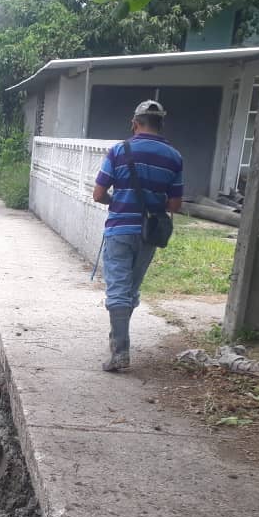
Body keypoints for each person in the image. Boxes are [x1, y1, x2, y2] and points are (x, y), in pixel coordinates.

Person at [92, 100, 183, 372]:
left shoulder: (119, 151)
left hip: (120, 229)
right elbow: (175, 204)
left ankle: (120, 351)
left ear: (135, 123)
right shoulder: (174, 157)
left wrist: (120, 201)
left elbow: (98, 194)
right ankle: (116, 339)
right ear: (161, 124)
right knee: (130, 288)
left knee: (118, 288)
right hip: (149, 232)